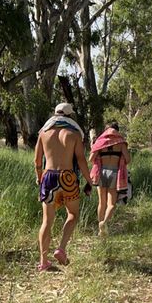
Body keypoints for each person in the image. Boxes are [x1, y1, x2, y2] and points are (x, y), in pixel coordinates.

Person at [34, 102, 93, 272]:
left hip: (49, 178)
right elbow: (81, 160)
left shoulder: (43, 133)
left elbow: (37, 162)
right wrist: (89, 180)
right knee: (73, 214)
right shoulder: (74, 134)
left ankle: (43, 262)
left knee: (47, 221)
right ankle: (61, 249)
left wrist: (40, 179)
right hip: (68, 177)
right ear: (70, 116)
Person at [90, 122, 130, 235]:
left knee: (101, 203)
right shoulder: (121, 143)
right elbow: (128, 159)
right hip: (114, 172)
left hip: (101, 172)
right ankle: (104, 223)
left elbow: (91, 158)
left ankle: (100, 228)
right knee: (111, 204)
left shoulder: (100, 142)